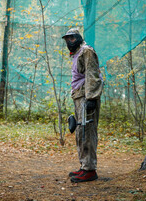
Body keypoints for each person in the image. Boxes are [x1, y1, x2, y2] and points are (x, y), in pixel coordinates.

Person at [62, 28, 103, 183]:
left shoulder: (86, 51)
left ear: (78, 38)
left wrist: (92, 97)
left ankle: (90, 170)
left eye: (72, 38)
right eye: (67, 39)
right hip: (80, 96)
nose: (69, 42)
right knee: (81, 132)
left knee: (87, 132)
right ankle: (84, 166)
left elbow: (93, 74)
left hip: (87, 97)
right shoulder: (77, 53)